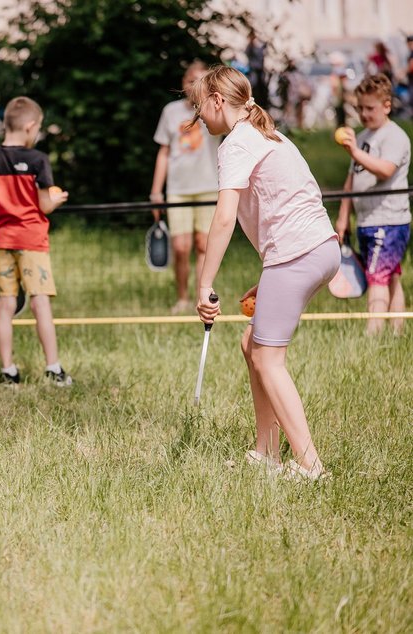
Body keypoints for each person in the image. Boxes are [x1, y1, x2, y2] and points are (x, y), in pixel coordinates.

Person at [190, 66, 339, 481]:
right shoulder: (268, 133)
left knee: (267, 358)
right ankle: (267, 451)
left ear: (218, 101)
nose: (199, 114)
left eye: (201, 104)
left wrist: (204, 285)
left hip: (298, 254)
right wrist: (273, 273)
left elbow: (224, 217)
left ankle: (311, 466)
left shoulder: (236, 143)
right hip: (321, 249)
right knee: (251, 342)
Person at [0, 96, 72, 387]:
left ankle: (8, 372)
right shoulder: (38, 160)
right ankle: (54, 370)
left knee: (4, 307)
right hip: (33, 242)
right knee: (40, 305)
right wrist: (56, 199)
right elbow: (43, 206)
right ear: (29, 126)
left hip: (2, 242)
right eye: (38, 128)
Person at [334, 74, 411, 335]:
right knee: (390, 277)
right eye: (360, 108)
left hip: (389, 220)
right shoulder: (363, 136)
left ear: (386, 106)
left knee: (376, 277)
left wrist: (355, 151)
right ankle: (398, 330)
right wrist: (344, 217)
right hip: (368, 221)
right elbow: (351, 179)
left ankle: (373, 333)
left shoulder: (394, 137)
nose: (364, 114)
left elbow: (385, 171)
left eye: (370, 108)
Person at [150, 61, 221, 313]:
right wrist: (156, 190)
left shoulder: (216, 108)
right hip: (178, 189)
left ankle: (201, 297)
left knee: (204, 245)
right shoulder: (171, 112)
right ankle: (181, 297)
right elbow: (164, 152)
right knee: (181, 247)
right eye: (191, 81)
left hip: (209, 186)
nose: (195, 86)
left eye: (202, 81)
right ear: (183, 84)